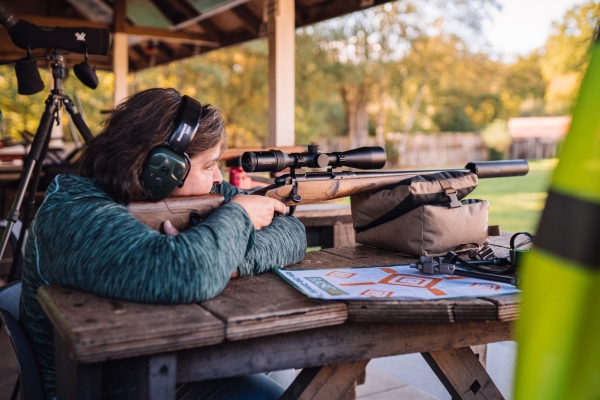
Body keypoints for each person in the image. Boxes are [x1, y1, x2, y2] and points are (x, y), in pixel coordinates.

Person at [19, 88, 307, 400]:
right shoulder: (72, 213)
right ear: (163, 168)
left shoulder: (187, 194)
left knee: (279, 364)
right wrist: (236, 218)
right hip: (107, 387)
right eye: (208, 165)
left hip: (169, 360)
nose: (218, 177)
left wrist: (226, 259)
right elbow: (187, 273)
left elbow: (292, 231)